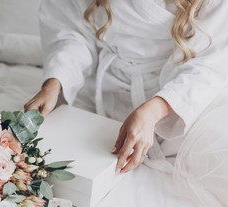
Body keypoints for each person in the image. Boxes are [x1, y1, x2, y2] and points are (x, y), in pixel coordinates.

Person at [24, 0, 228, 177]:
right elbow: (74, 30)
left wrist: (156, 109)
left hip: (183, 96)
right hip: (112, 89)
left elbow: (210, 63)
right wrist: (56, 81)